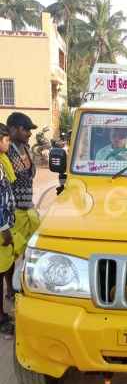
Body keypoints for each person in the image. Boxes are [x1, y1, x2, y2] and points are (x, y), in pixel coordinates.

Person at [6, 113, 40, 292]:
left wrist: (32, 205)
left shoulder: (26, 148)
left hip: (28, 207)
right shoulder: (6, 152)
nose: (29, 133)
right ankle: (10, 290)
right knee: (10, 253)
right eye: (25, 129)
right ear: (12, 129)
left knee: (33, 247)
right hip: (13, 211)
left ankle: (25, 284)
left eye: (30, 130)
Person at [0, 123, 27, 335]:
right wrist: (3, 228)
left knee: (10, 259)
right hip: (1, 228)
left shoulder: (2, 162)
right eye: (6, 140)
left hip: (6, 223)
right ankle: (1, 320)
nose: (9, 144)